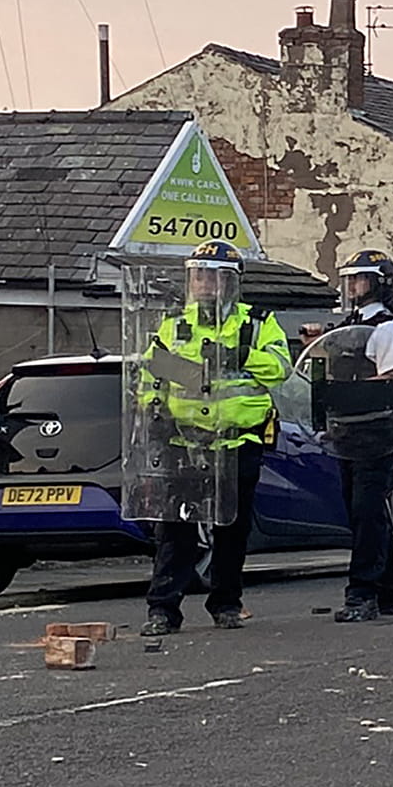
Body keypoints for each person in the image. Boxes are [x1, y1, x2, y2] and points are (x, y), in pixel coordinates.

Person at [139, 241, 291, 636]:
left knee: (231, 532)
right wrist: (154, 412)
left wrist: (242, 354)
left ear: (230, 282)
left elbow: (280, 369)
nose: (204, 283)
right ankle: (163, 610)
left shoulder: (256, 323)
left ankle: (226, 603)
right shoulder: (173, 324)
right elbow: (151, 376)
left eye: (213, 275)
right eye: (198, 275)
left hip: (238, 442)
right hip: (184, 443)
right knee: (176, 530)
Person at [333, 248, 393, 622]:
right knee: (363, 513)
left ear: (380, 285)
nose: (352, 286)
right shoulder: (347, 325)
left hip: (377, 431)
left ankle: (362, 593)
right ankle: (387, 588)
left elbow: (390, 377)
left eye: (360, 279)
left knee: (367, 512)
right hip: (348, 430)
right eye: (349, 278)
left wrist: (351, 388)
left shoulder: (386, 328)